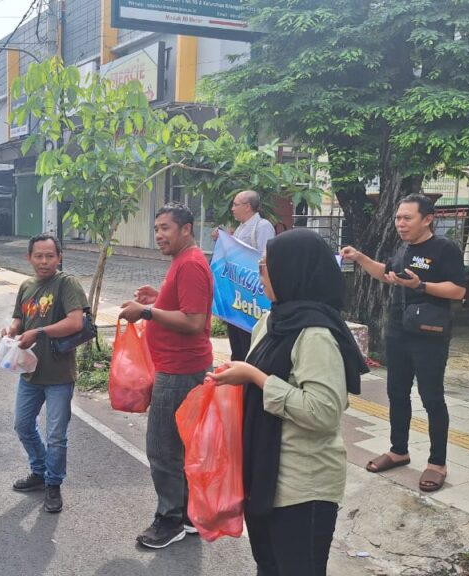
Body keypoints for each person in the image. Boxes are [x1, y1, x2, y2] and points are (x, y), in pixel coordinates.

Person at [209, 228, 367, 576]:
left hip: (302, 485)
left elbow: (323, 412)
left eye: (265, 266)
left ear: (291, 271)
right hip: (264, 474)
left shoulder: (316, 334)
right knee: (268, 567)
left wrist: (256, 378)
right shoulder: (272, 319)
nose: (260, 275)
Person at [342, 194, 466, 492]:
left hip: (430, 335)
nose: (400, 223)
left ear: (427, 219)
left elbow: (458, 290)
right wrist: (359, 257)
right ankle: (399, 450)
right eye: (398, 217)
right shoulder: (404, 248)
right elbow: (387, 274)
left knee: (431, 397)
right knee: (396, 393)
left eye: (407, 218)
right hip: (398, 331)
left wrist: (421, 285)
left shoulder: (444, 248)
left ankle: (437, 463)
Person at [119, 202, 213, 549]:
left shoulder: (190, 264)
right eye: (156, 228)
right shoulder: (184, 260)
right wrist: (159, 300)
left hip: (179, 371)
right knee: (180, 446)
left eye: (165, 228)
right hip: (179, 367)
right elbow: (187, 307)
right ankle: (187, 515)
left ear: (186, 229)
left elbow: (193, 321)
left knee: (162, 449)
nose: (159, 235)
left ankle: (170, 519)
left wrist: (146, 311)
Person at [1, 234, 89, 514]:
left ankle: (53, 484)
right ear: (28, 258)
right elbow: (20, 317)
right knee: (22, 425)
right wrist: (13, 329)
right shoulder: (27, 286)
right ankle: (40, 470)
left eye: (50, 256)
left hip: (59, 374)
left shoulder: (67, 284)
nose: (44, 261)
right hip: (30, 371)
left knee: (56, 436)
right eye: (38, 256)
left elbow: (75, 322)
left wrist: (39, 332)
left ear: (59, 257)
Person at [211, 190, 276, 361]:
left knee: (248, 342)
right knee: (236, 341)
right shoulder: (240, 228)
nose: (232, 209)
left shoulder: (262, 226)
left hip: (252, 294)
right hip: (238, 294)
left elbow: (265, 257)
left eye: (235, 204)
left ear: (247, 206)